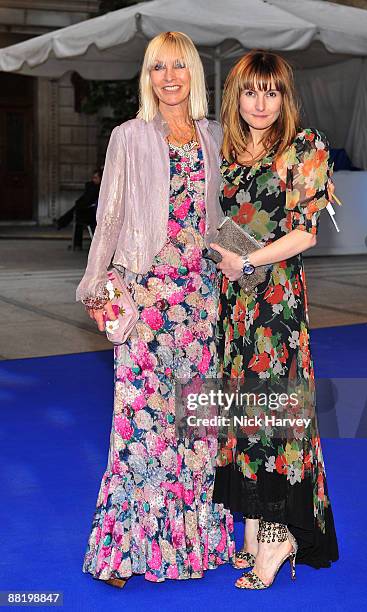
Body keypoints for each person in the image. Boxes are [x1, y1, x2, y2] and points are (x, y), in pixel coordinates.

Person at [75, 31, 234, 587]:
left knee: (196, 429)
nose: (169, 77)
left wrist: (260, 257)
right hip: (145, 301)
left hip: (200, 305)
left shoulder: (216, 137)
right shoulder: (130, 136)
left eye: (179, 66)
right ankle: (126, 550)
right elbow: (110, 217)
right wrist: (100, 288)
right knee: (139, 425)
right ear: (148, 76)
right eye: (158, 67)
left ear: (194, 73)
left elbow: (222, 219)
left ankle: (191, 544)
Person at [210, 50, 339, 590]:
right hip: (235, 305)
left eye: (273, 91)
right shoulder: (228, 154)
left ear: (286, 97)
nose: (261, 103)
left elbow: (306, 232)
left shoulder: (304, 148)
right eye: (251, 91)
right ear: (235, 95)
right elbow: (221, 225)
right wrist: (226, 256)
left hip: (276, 305)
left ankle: (279, 536)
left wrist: (249, 260)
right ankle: (257, 521)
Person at [56, 168, 102, 248]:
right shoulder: (91, 186)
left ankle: (61, 223)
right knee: (77, 213)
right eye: (93, 178)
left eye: (96, 178)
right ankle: (76, 243)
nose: (94, 180)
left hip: (92, 213)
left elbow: (90, 200)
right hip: (86, 209)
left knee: (77, 213)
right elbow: (85, 198)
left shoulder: (99, 188)